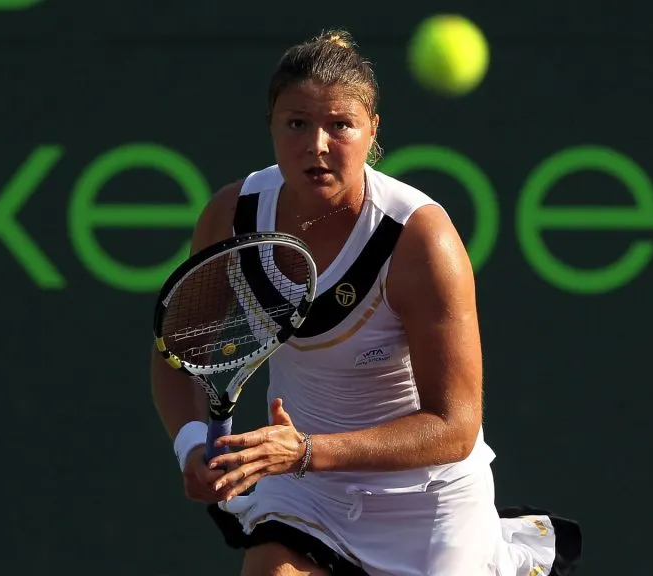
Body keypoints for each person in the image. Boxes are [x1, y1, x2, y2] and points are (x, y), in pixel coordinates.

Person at [151, 29, 581, 576]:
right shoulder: (233, 215)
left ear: (372, 130)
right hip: (307, 494)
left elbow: (454, 424)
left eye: (340, 125)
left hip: (427, 503)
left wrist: (305, 450)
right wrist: (191, 444)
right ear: (272, 128)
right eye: (297, 124)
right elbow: (177, 352)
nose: (318, 145)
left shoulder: (419, 239)